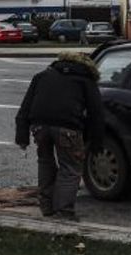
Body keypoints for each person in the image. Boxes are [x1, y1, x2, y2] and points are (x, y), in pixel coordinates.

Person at [14, 52, 105, 221]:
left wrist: (22, 136)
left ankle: (47, 207)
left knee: (45, 163)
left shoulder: (41, 76)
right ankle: (64, 211)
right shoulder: (85, 80)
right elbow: (96, 113)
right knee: (70, 168)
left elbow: (25, 107)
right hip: (68, 128)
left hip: (39, 127)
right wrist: (97, 141)